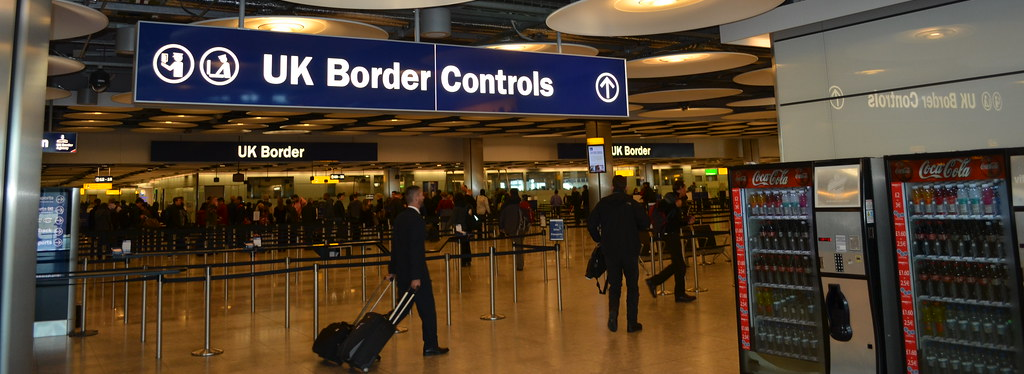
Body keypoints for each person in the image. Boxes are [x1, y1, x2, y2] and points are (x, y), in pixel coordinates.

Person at [388, 186, 449, 357]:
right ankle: (430, 345)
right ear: (416, 198)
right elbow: (416, 249)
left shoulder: (400, 218)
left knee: (401, 311)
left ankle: (372, 342)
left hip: (403, 271)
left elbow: (396, 246)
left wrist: (393, 270)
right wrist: (416, 277)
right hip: (416, 274)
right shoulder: (416, 219)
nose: (424, 197)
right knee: (428, 310)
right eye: (422, 194)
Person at [588, 176, 650, 333]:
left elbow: (591, 224)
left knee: (615, 285)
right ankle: (631, 323)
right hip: (630, 250)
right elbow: (645, 223)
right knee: (632, 286)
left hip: (611, 251)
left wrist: (600, 239)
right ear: (626, 187)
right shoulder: (632, 203)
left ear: (611, 187)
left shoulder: (603, 203)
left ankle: (613, 314)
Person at [646, 180, 698, 302]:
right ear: (679, 189)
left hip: (673, 233)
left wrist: (686, 221)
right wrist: (675, 204)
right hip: (669, 234)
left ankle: (675, 292)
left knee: (679, 265)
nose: (686, 190)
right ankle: (656, 282)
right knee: (680, 265)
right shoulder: (670, 198)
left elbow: (674, 220)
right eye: (684, 188)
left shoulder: (680, 201)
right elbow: (664, 207)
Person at [499, 189, 529, 271]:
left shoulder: (506, 205)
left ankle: (519, 264)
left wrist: (502, 228)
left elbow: (502, 216)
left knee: (516, 246)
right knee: (519, 246)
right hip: (521, 228)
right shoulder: (520, 204)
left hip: (512, 228)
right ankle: (520, 264)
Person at [448, 192, 473, 267]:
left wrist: (448, 226)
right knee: (467, 244)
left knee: (462, 245)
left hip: (460, 229)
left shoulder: (456, 208)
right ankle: (468, 260)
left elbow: (453, 219)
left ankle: (463, 260)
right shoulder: (467, 205)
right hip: (468, 227)